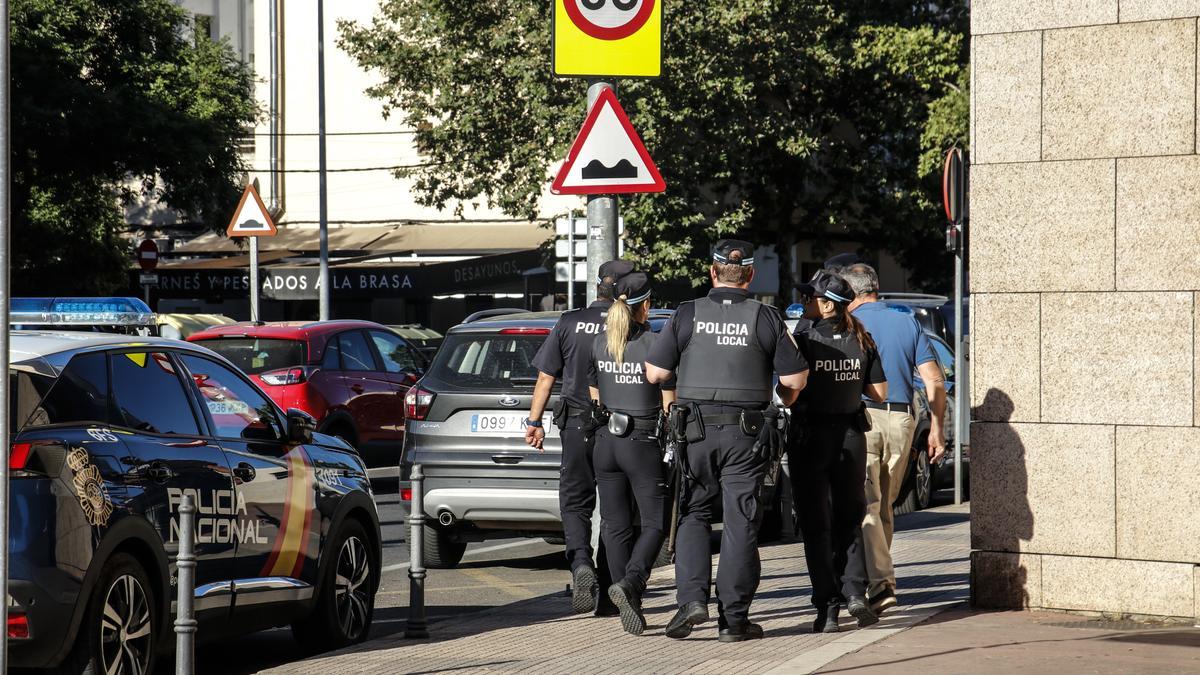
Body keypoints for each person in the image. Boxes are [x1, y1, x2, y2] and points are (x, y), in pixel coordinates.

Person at [646, 239, 809, 642]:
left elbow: (655, 373)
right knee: (740, 521)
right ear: (750, 274)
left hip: (695, 432)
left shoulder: (687, 313)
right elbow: (795, 380)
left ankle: (691, 601)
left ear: (713, 271)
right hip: (747, 435)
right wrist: (782, 397)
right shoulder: (766, 317)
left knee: (692, 514)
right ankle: (733, 620)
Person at [525, 259, 634, 615]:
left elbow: (546, 377)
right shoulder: (629, 324)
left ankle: (581, 562)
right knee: (615, 509)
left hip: (575, 423)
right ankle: (610, 596)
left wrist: (534, 421)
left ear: (598, 285)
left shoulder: (569, 321)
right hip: (619, 426)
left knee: (574, 503)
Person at [841, 262, 946, 616]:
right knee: (884, 506)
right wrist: (937, 428)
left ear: (851, 293)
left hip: (864, 419)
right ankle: (876, 581)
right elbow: (934, 380)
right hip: (902, 420)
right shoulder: (906, 321)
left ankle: (881, 584)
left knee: (868, 506)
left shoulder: (849, 322)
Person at [791, 271, 888, 633]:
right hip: (850, 436)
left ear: (828, 305)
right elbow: (879, 392)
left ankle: (827, 609)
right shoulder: (861, 338)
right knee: (849, 518)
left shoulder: (804, 339)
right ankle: (856, 594)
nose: (803, 302)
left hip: (810, 437)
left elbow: (789, 390)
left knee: (816, 524)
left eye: (809, 298)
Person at [586, 273, 673, 636]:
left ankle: (628, 599)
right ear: (646, 306)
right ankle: (632, 582)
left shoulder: (600, 342)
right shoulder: (654, 343)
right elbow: (669, 402)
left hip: (606, 439)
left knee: (615, 525)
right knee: (656, 523)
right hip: (641, 439)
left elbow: (594, 394)